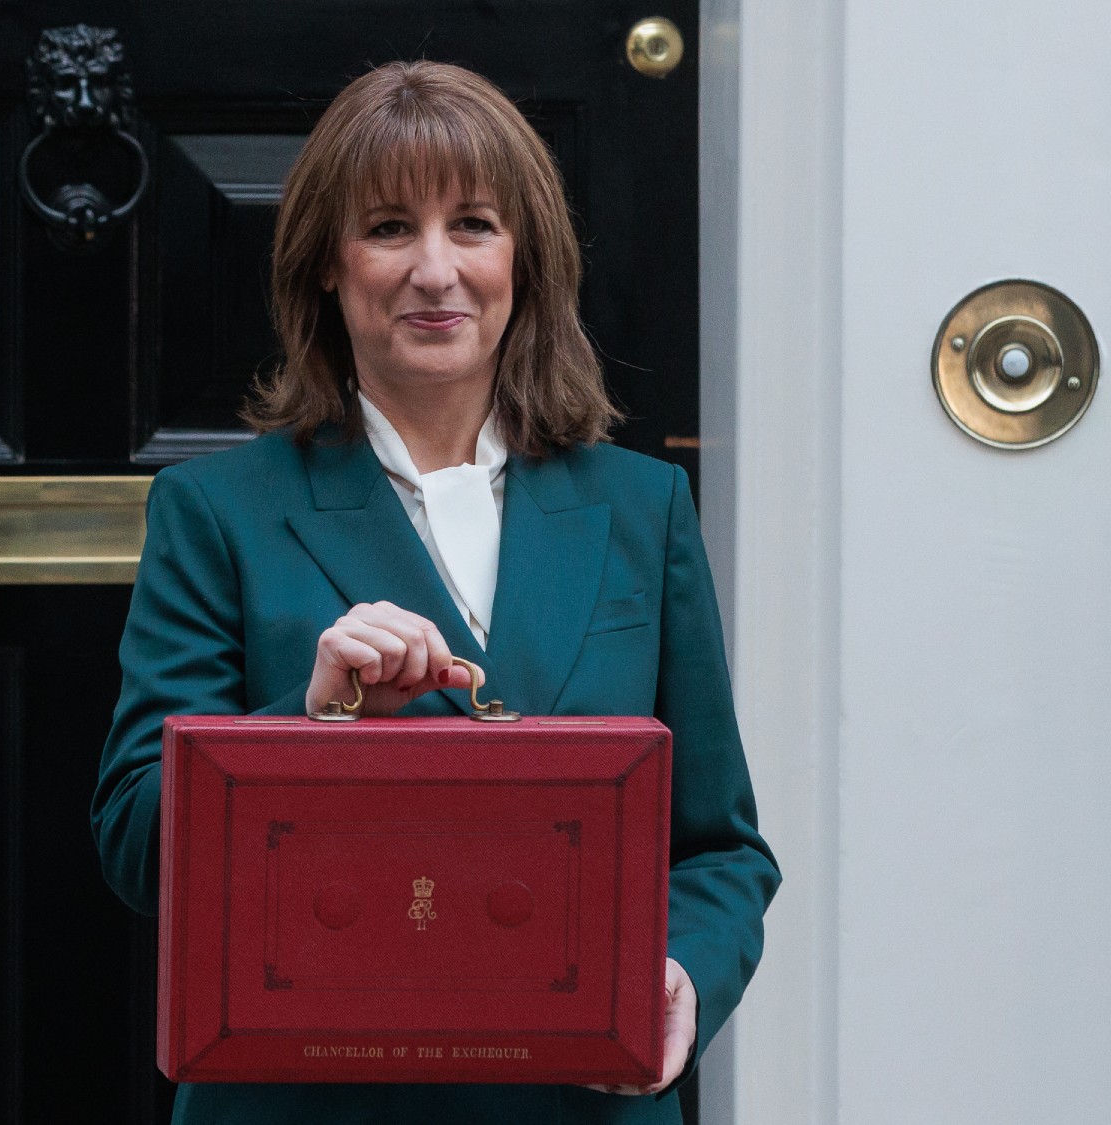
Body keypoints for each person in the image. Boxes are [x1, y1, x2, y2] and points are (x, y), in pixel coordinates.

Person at [91, 61, 779, 1125]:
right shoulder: (213, 511)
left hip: (574, 1102)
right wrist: (307, 724)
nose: (433, 270)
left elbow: (719, 846)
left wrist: (679, 982)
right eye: (384, 228)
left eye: (470, 225)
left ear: (524, 260)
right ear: (325, 263)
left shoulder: (642, 509)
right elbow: (136, 844)